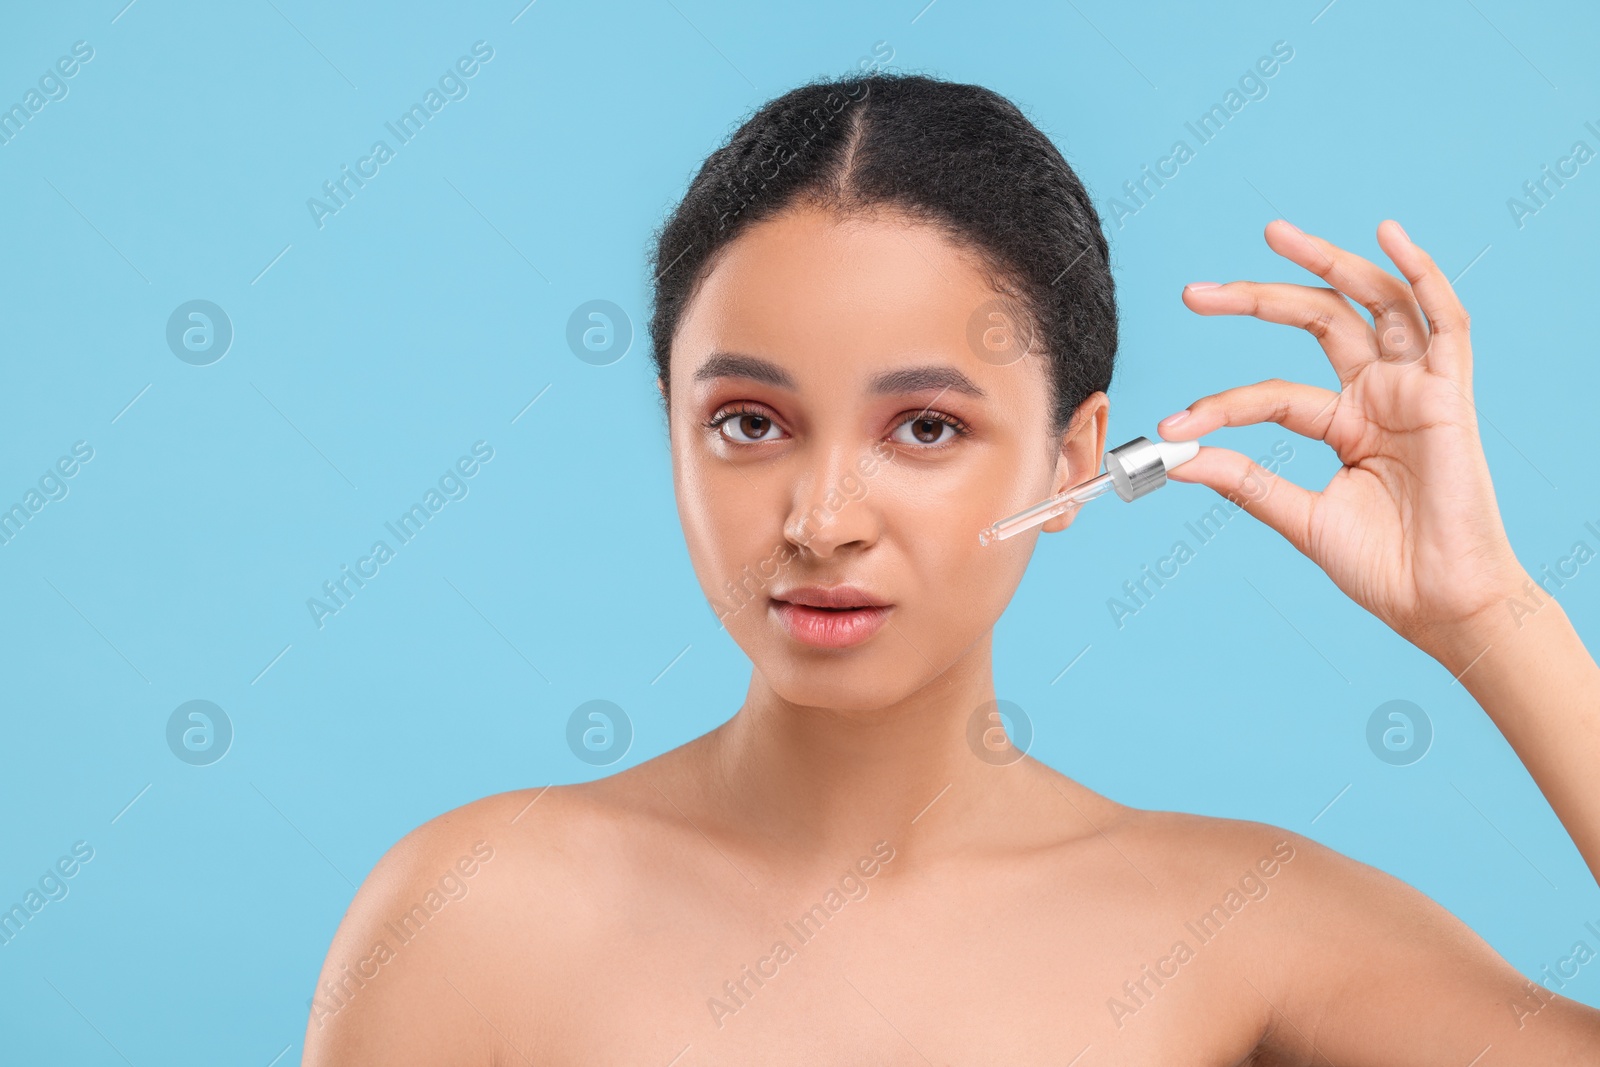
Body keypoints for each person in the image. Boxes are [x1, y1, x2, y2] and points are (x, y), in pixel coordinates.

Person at [303, 72, 1600, 1063]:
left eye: (925, 428)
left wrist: (1494, 616)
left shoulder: (1252, 926)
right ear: (672, 423)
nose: (822, 518)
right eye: (748, 423)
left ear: (1074, 459)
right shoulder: (468, 915)